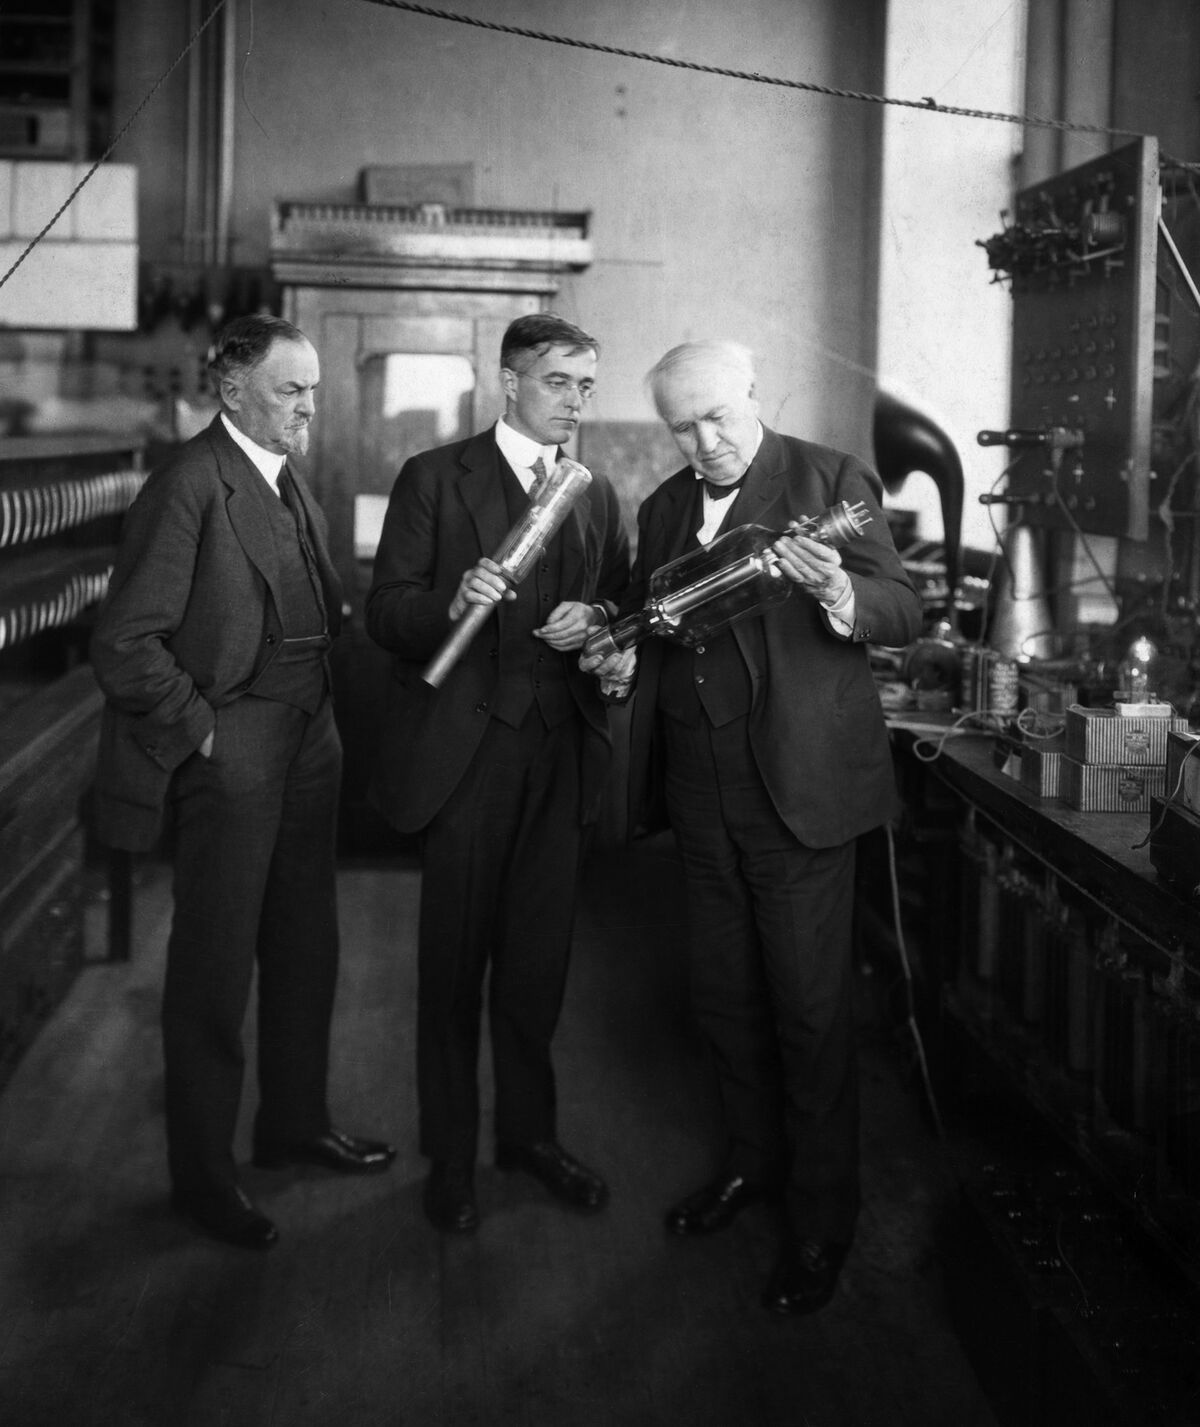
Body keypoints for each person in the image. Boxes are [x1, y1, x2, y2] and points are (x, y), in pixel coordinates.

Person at [586, 340, 922, 1315]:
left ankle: (820, 1222)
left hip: (799, 796)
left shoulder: (829, 477)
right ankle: (751, 1165)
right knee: (726, 997)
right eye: (683, 426)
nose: (706, 440)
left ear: (753, 394)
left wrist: (840, 593)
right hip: (698, 792)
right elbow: (652, 627)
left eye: (719, 416)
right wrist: (613, 650)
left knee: (811, 1012)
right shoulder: (662, 509)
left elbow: (903, 606)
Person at [90, 314, 395, 1251]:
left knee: (307, 948)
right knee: (214, 973)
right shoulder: (185, 486)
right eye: (290, 390)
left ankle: (293, 1124)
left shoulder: (276, 467)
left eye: (313, 389)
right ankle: (204, 1178)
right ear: (231, 392)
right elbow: (125, 645)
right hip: (235, 748)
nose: (311, 406)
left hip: (309, 738)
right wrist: (208, 732)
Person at [365, 313, 630, 1234]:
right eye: (561, 381)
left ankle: (529, 1137)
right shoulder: (436, 477)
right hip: (467, 760)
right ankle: (450, 1157)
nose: (576, 401)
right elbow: (384, 612)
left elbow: (622, 603)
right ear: (509, 380)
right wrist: (451, 600)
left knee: (537, 965)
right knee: (452, 971)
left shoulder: (593, 493)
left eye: (588, 386)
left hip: (559, 756)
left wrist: (593, 618)